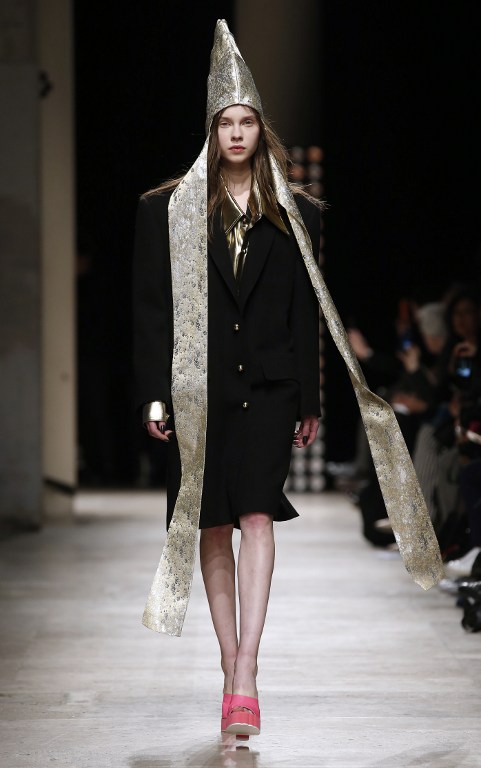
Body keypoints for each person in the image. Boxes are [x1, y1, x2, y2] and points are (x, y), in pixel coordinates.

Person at [133, 20, 443, 738]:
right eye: (226, 123)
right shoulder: (168, 212)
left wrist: (307, 393)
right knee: (213, 523)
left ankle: (246, 671)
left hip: (270, 389)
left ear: (260, 129)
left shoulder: (295, 212)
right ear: (211, 131)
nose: (236, 134)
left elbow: (304, 307)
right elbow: (151, 310)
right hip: (198, 390)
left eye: (246, 122)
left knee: (257, 516)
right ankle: (228, 665)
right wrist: (154, 391)